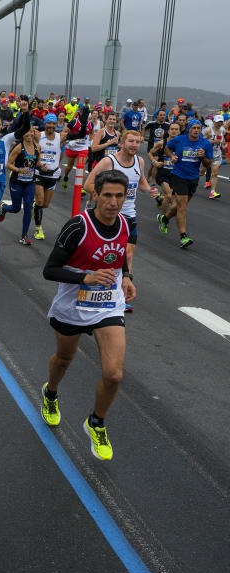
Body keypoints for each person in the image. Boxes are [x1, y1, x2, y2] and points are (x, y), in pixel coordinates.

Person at [41, 170, 135, 461]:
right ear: (95, 195)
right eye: (107, 195)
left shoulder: (125, 223)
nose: (113, 202)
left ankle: (96, 422)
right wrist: (86, 278)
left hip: (108, 306)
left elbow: (120, 257)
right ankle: (51, 393)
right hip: (73, 306)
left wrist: (128, 277)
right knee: (65, 359)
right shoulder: (77, 226)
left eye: (119, 196)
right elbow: (50, 270)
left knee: (114, 374)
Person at [84, 131, 157, 311]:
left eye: (137, 142)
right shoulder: (109, 162)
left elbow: (141, 182)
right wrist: (109, 196)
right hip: (108, 216)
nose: (134, 145)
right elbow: (88, 185)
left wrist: (149, 191)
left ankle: (122, 296)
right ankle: (97, 288)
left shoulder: (139, 161)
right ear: (122, 143)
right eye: (130, 141)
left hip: (129, 215)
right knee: (106, 255)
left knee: (128, 254)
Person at [159, 119, 213, 248]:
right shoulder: (179, 140)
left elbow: (208, 164)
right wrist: (171, 156)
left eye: (198, 128)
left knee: (179, 206)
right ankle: (183, 236)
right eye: (193, 128)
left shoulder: (205, 144)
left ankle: (165, 219)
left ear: (201, 130)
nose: (196, 130)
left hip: (193, 178)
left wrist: (202, 157)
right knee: (182, 206)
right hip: (178, 176)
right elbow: (167, 148)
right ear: (189, 128)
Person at [0, 123, 39, 245]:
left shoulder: (38, 147)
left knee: (27, 207)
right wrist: (19, 170)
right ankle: (5, 209)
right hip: (17, 182)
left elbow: (37, 162)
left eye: (31, 131)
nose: (30, 134)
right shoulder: (18, 148)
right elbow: (8, 164)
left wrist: (43, 166)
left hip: (30, 182)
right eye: (27, 132)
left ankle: (24, 236)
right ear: (23, 134)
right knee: (15, 209)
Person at [32, 115, 65, 240]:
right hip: (39, 173)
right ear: (45, 124)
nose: (51, 126)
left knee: (45, 204)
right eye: (49, 123)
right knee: (40, 200)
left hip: (52, 175)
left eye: (53, 124)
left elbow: (78, 133)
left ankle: (35, 207)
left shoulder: (59, 136)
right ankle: (38, 229)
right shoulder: (38, 135)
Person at [202, 115, 224, 198]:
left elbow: (222, 140)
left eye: (221, 122)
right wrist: (213, 141)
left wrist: (223, 144)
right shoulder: (208, 130)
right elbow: (202, 141)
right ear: (214, 121)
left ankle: (212, 192)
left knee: (215, 173)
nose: (219, 123)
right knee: (201, 173)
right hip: (207, 154)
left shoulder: (222, 130)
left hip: (217, 154)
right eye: (218, 122)